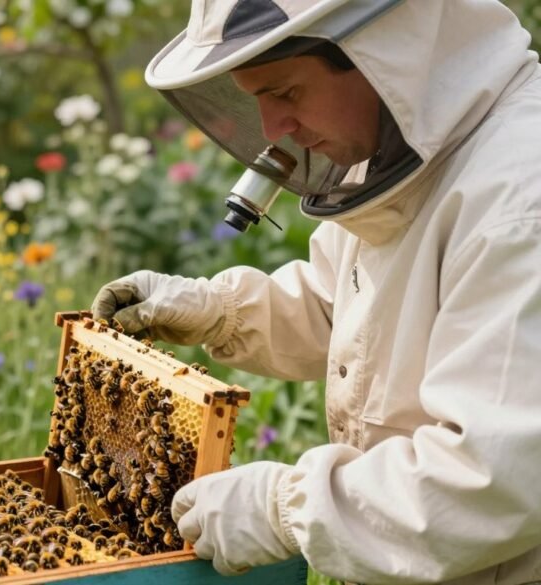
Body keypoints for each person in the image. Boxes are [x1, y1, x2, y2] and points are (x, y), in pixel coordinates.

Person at [91, 0, 541, 583]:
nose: (274, 130)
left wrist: (286, 509)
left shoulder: (518, 205)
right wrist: (220, 313)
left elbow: (495, 478)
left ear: (382, 54)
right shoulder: (400, 150)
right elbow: (351, 308)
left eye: (285, 93)